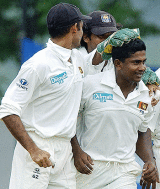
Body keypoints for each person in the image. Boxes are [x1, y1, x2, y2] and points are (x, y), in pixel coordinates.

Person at [0, 3, 92, 188]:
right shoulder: (38, 64)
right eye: (82, 26)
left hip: (64, 150)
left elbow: (100, 58)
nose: (83, 32)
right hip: (38, 146)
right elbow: (8, 108)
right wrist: (33, 149)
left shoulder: (77, 58)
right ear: (75, 28)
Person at [71, 29, 159, 189]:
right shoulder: (90, 85)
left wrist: (150, 161)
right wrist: (76, 151)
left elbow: (142, 130)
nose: (142, 68)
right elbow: (67, 118)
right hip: (88, 169)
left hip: (123, 172)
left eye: (143, 62)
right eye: (136, 62)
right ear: (118, 63)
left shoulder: (146, 94)